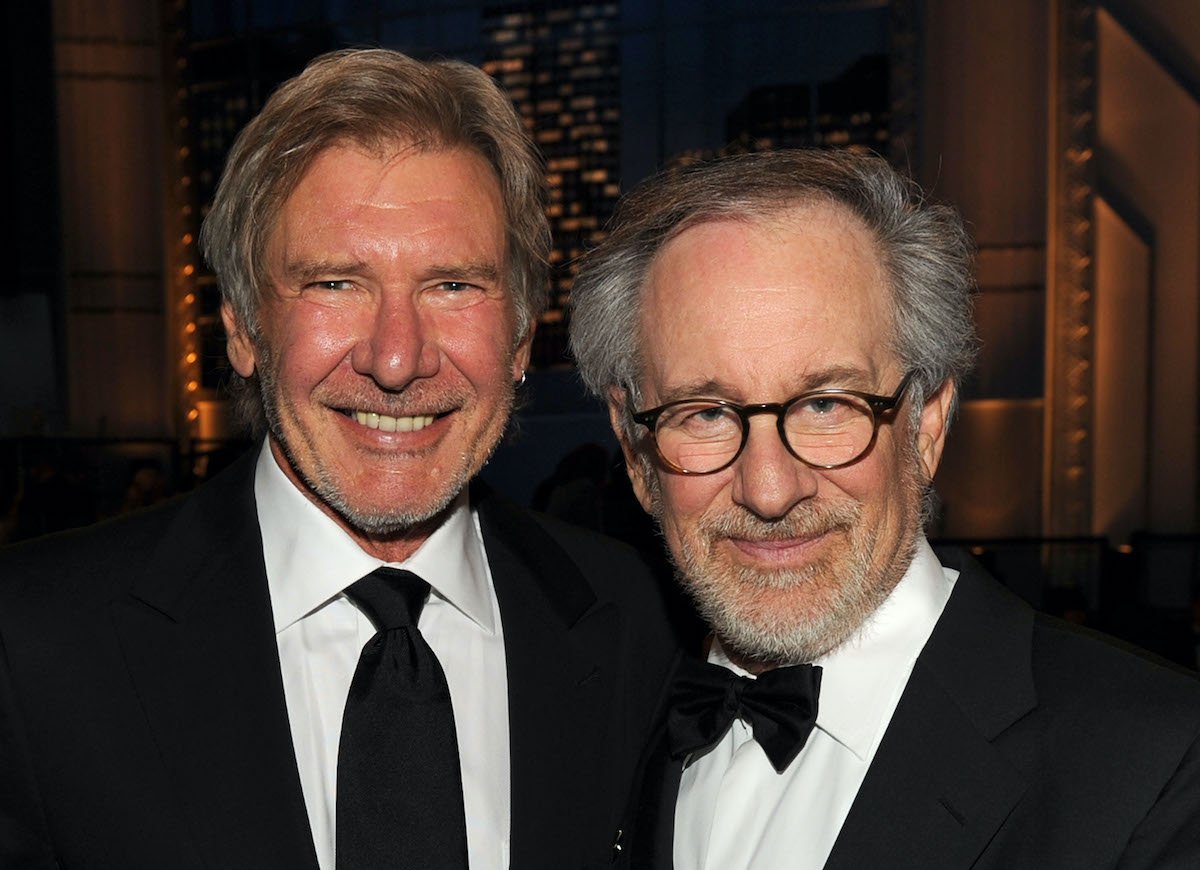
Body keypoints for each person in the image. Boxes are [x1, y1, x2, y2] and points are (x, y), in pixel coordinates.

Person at [0, 49, 675, 870]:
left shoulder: (647, 628)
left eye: (454, 285)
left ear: (524, 336)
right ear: (244, 330)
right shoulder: (33, 647)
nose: (397, 359)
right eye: (335, 284)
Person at [568, 148, 1200, 869]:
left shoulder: (1157, 768)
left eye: (827, 404)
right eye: (704, 413)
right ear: (635, 452)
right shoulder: (593, 738)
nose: (769, 490)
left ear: (927, 425)